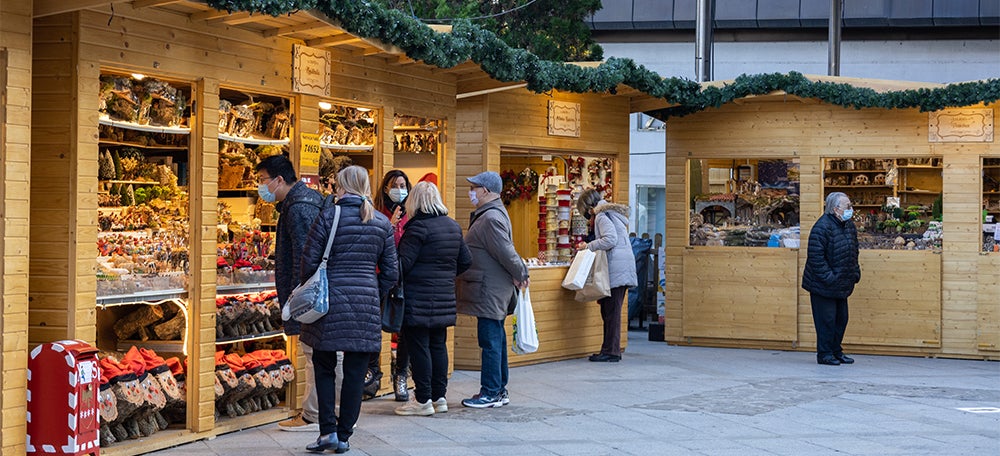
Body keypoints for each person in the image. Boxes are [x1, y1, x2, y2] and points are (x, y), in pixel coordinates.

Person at [299, 165, 398, 453]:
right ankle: (344, 436)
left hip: (328, 304)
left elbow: (309, 261)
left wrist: (313, 287)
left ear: (341, 187)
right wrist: (372, 292)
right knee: (356, 372)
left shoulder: (328, 216)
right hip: (365, 304)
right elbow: (391, 272)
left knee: (324, 367)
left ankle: (327, 431)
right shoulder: (381, 222)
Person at [255, 155, 323, 432]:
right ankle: (317, 411)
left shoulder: (298, 208)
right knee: (316, 355)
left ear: (279, 180)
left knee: (314, 355)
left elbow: (305, 257)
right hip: (309, 294)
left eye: (262, 181)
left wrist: (297, 297)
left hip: (307, 297)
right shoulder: (302, 201)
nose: (261, 187)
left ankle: (314, 414)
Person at [393, 182, 473, 416]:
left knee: (419, 348)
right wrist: (446, 275)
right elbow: (466, 260)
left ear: (415, 202)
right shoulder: (452, 226)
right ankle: (440, 397)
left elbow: (402, 265)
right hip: (444, 297)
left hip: (418, 298)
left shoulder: (417, 229)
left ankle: (423, 399)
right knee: (438, 345)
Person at [457, 171, 529, 409]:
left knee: (490, 340)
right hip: (491, 287)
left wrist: (521, 273)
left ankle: (490, 391)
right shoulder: (491, 214)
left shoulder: (489, 219)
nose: (471, 193)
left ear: (485, 191)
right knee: (495, 338)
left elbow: (506, 252)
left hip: (490, 289)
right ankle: (498, 389)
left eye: (474, 188)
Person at [575, 189, 637, 362]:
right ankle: (610, 349)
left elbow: (610, 239)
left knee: (611, 311)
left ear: (588, 208)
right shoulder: (610, 213)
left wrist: (588, 246)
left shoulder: (602, 216)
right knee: (611, 310)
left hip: (616, 268)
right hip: (622, 266)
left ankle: (611, 351)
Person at [802, 192, 861, 366]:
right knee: (826, 320)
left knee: (841, 319)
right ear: (835, 209)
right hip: (823, 285)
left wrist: (855, 272)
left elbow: (854, 250)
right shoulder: (822, 227)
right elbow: (816, 257)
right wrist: (830, 277)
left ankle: (836, 350)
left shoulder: (848, 225)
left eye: (850, 206)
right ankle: (825, 354)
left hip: (842, 283)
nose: (851, 209)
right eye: (847, 206)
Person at [371, 169, 413, 402]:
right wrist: (389, 224)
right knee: (373, 325)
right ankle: (372, 372)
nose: (399, 189)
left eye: (403, 184)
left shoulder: (412, 213)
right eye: (395, 185)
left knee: (403, 327)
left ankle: (401, 375)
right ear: (386, 188)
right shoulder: (376, 213)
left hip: (402, 278)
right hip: (377, 277)